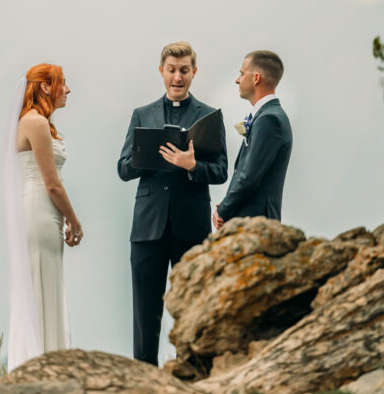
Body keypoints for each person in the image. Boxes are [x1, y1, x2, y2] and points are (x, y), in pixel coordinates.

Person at [117, 41, 228, 366]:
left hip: (190, 228)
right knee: (145, 310)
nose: (177, 77)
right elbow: (123, 168)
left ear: (194, 72)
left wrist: (193, 166)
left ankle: (191, 372)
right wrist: (147, 157)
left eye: (184, 70)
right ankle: (143, 375)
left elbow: (221, 171)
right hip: (147, 228)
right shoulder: (142, 114)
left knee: (192, 307)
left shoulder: (209, 116)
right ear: (161, 71)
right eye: (171, 70)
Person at [3, 63, 83, 371]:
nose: (68, 90)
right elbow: (52, 184)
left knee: (44, 283)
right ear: (46, 87)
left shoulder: (35, 122)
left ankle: (42, 359)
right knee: (41, 284)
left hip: (38, 211)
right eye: (63, 83)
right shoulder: (34, 122)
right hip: (40, 210)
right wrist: (74, 221)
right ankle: (42, 362)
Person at [213, 50, 292, 229]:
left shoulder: (269, 120)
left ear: (256, 78)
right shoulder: (268, 116)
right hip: (249, 219)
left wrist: (223, 210)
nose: (237, 80)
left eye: (241, 73)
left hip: (256, 223)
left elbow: (249, 177)